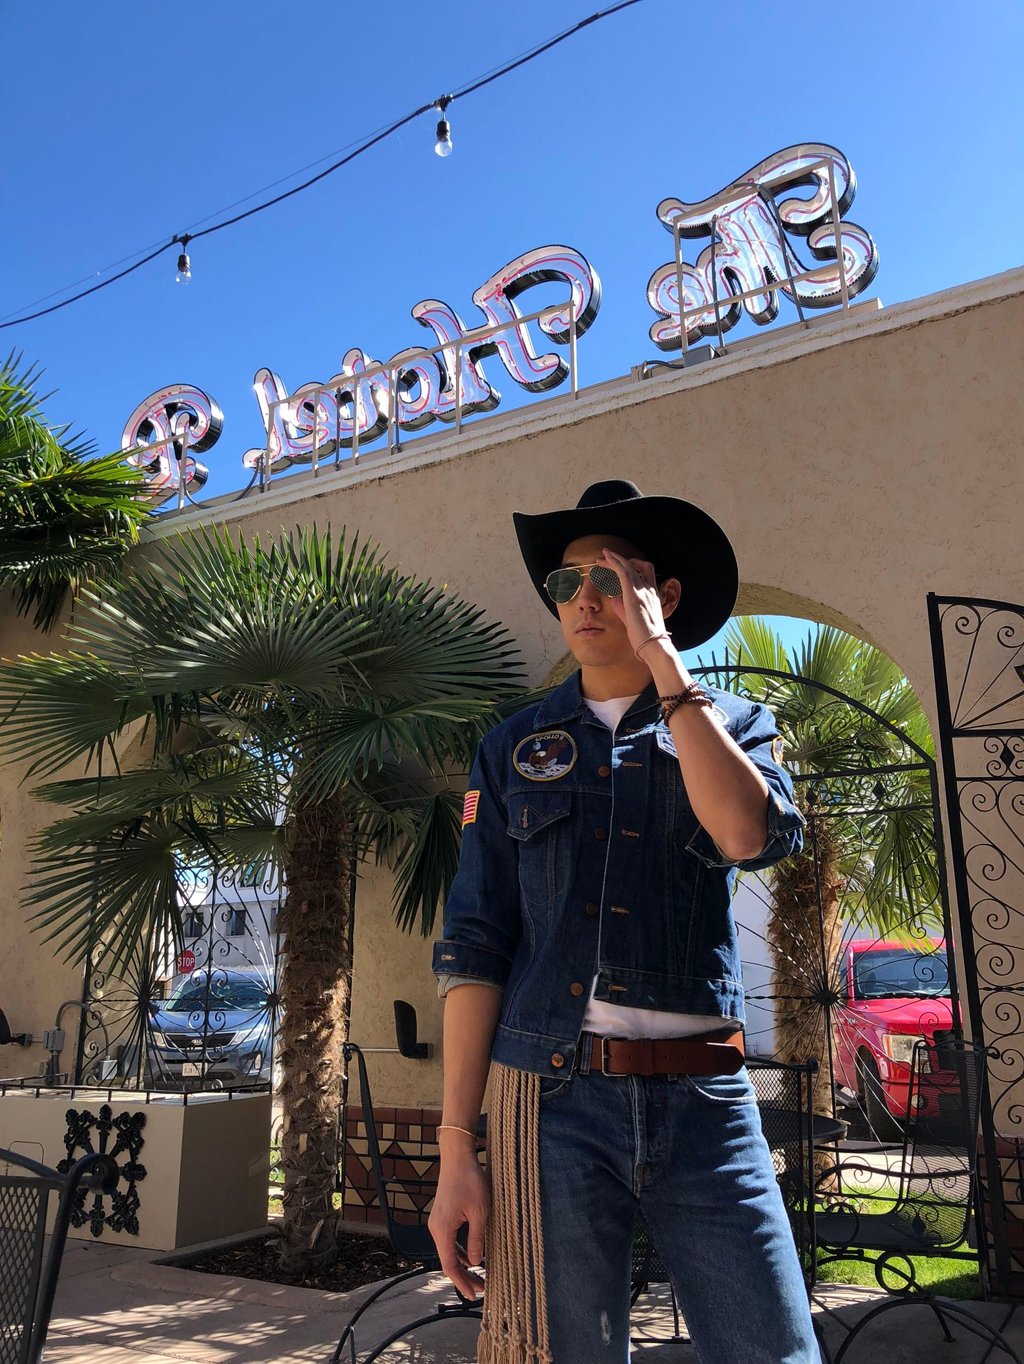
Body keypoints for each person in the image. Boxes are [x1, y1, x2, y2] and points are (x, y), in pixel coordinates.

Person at [429, 480, 818, 1364]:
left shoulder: (740, 726)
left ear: (664, 595)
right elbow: (475, 944)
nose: (585, 601)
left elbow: (746, 834)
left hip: (707, 1105)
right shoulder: (512, 748)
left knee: (774, 1349)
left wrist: (664, 659)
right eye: (568, 585)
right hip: (551, 1100)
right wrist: (459, 1147)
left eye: (611, 577)